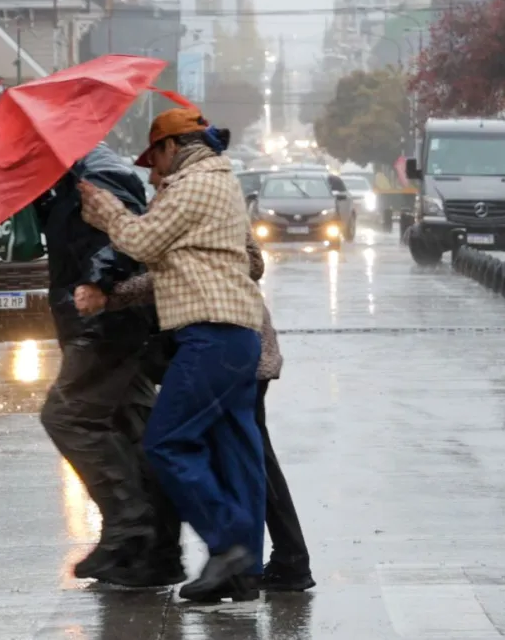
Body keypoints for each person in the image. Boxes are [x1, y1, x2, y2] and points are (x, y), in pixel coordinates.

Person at [78, 108, 267, 603]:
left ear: (171, 147)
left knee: (167, 441)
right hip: (232, 333)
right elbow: (172, 266)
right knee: (237, 451)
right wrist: (112, 295)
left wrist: (104, 210)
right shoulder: (215, 181)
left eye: (155, 158)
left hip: (212, 332)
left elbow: (141, 240)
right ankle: (243, 571)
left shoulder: (195, 184)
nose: (152, 172)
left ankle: (228, 545)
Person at [97, 224, 317, 592]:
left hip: (234, 347)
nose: (152, 174)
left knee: (250, 458)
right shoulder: (186, 206)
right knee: (242, 456)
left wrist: (119, 292)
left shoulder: (200, 203)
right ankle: (265, 563)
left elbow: (251, 263)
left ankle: (279, 561)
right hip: (229, 346)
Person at [34, 144, 182, 588]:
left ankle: (129, 526)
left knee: (67, 415)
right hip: (101, 321)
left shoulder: (95, 171)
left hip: (106, 323)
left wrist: (98, 282)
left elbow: (123, 238)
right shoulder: (65, 178)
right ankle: (155, 553)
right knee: (132, 427)